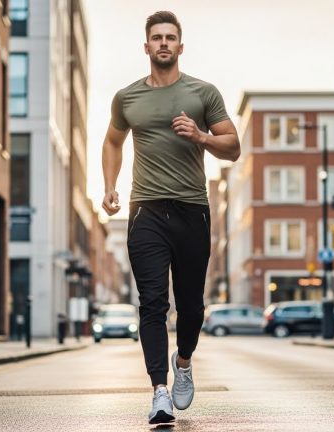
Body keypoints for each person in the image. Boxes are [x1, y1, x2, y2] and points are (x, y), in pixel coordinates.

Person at [101, 11, 240, 425]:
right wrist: (110, 185)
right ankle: (159, 391)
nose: (163, 43)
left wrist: (200, 136)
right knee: (153, 303)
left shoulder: (203, 93)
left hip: (192, 209)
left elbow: (232, 147)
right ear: (146, 46)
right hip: (145, 209)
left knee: (192, 306)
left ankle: (183, 361)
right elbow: (112, 141)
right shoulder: (127, 98)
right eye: (156, 37)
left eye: (170, 37)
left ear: (181, 46)